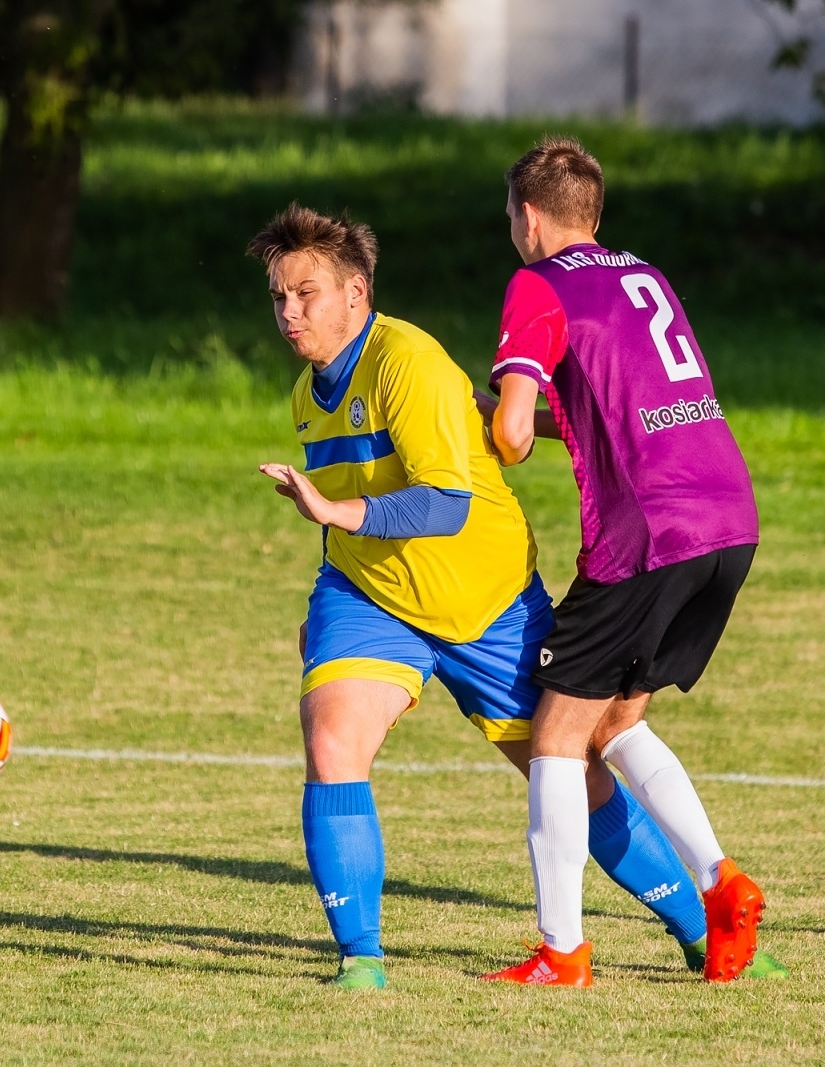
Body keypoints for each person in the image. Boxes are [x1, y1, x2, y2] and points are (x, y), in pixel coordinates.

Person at [248, 203, 763, 990]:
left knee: (575, 767)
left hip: (486, 601)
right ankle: (361, 960)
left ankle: (702, 928)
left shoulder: (407, 362)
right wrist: (327, 608)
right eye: (279, 296)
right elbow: (355, 498)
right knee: (332, 739)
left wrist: (333, 511)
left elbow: (443, 504)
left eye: (305, 293)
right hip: (371, 596)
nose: (289, 311)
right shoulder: (307, 392)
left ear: (356, 292)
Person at [478, 138, 772, 986]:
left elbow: (511, 435)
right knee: (616, 723)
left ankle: (561, 951)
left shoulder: (538, 283)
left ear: (530, 217)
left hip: (648, 532)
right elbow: (613, 401)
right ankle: (720, 881)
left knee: (557, 736)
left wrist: (485, 416)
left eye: (511, 216)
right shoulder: (645, 273)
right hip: (729, 519)